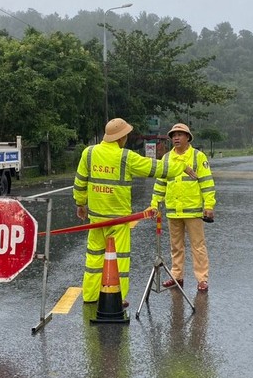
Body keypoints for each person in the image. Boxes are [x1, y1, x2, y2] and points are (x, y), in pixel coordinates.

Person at [73, 118, 195, 306]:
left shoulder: (89, 153)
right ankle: (118, 297)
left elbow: (80, 182)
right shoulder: (126, 157)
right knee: (119, 259)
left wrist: (81, 204)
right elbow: (157, 168)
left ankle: (90, 297)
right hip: (118, 220)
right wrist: (181, 166)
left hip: (96, 218)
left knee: (94, 259)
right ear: (121, 137)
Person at [150, 123, 216, 292]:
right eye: (174, 135)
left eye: (180, 134)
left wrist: (209, 205)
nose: (176, 138)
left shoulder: (197, 157)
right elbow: (160, 183)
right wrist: (154, 204)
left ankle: (202, 279)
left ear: (188, 137)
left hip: (193, 210)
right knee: (176, 246)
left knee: (198, 245)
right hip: (173, 210)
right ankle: (176, 276)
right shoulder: (166, 158)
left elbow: (207, 182)